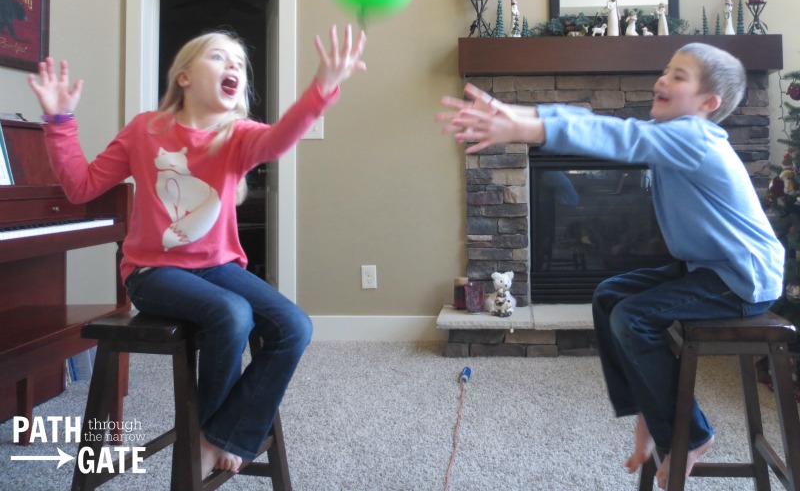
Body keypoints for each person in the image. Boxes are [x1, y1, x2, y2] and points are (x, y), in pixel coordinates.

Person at [437, 42, 783, 489]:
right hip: (708, 268)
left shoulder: (695, 137)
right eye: (665, 70)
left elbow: (620, 138)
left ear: (707, 104)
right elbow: (594, 123)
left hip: (742, 278)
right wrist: (516, 113)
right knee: (609, 295)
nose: (662, 79)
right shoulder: (676, 135)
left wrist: (525, 129)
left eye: (679, 76)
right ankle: (649, 412)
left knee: (633, 317)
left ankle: (690, 434)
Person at [28, 24, 367, 478]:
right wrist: (59, 122)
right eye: (218, 57)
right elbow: (81, 186)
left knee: (294, 326)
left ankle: (222, 434)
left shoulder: (239, 135)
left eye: (239, 64)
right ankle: (209, 438)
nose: (233, 66)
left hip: (219, 267)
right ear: (184, 77)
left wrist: (321, 88)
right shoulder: (144, 130)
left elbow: (281, 138)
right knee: (232, 314)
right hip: (152, 273)